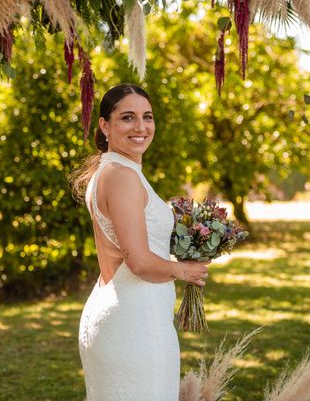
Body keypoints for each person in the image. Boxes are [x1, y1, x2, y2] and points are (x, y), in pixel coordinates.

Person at [69, 84, 210, 400]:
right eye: (128, 118)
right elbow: (140, 263)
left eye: (147, 117)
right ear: (105, 125)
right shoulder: (122, 176)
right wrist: (187, 270)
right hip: (135, 322)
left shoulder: (113, 170)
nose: (141, 127)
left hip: (123, 312)